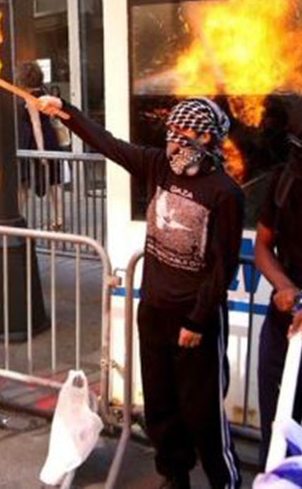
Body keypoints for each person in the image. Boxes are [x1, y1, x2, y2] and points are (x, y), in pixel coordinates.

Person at [38, 94, 242, 489]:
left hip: (194, 322)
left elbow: (223, 267)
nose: (176, 141)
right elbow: (108, 143)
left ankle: (225, 481)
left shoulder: (224, 193)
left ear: (208, 137)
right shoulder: (157, 166)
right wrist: (64, 109)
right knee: (161, 408)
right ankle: (175, 478)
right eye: (174, 131)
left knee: (201, 415)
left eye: (186, 133)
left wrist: (197, 320)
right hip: (153, 313)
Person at [255, 87, 302, 466]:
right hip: (283, 334)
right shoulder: (284, 181)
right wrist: (283, 286)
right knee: (277, 443)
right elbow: (263, 246)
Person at [16, 62, 65, 230]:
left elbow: (36, 126)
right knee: (54, 181)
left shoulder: (30, 99)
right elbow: (47, 121)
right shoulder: (44, 94)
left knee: (24, 181)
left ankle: (17, 215)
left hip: (35, 143)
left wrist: (41, 152)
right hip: (50, 138)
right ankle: (58, 218)